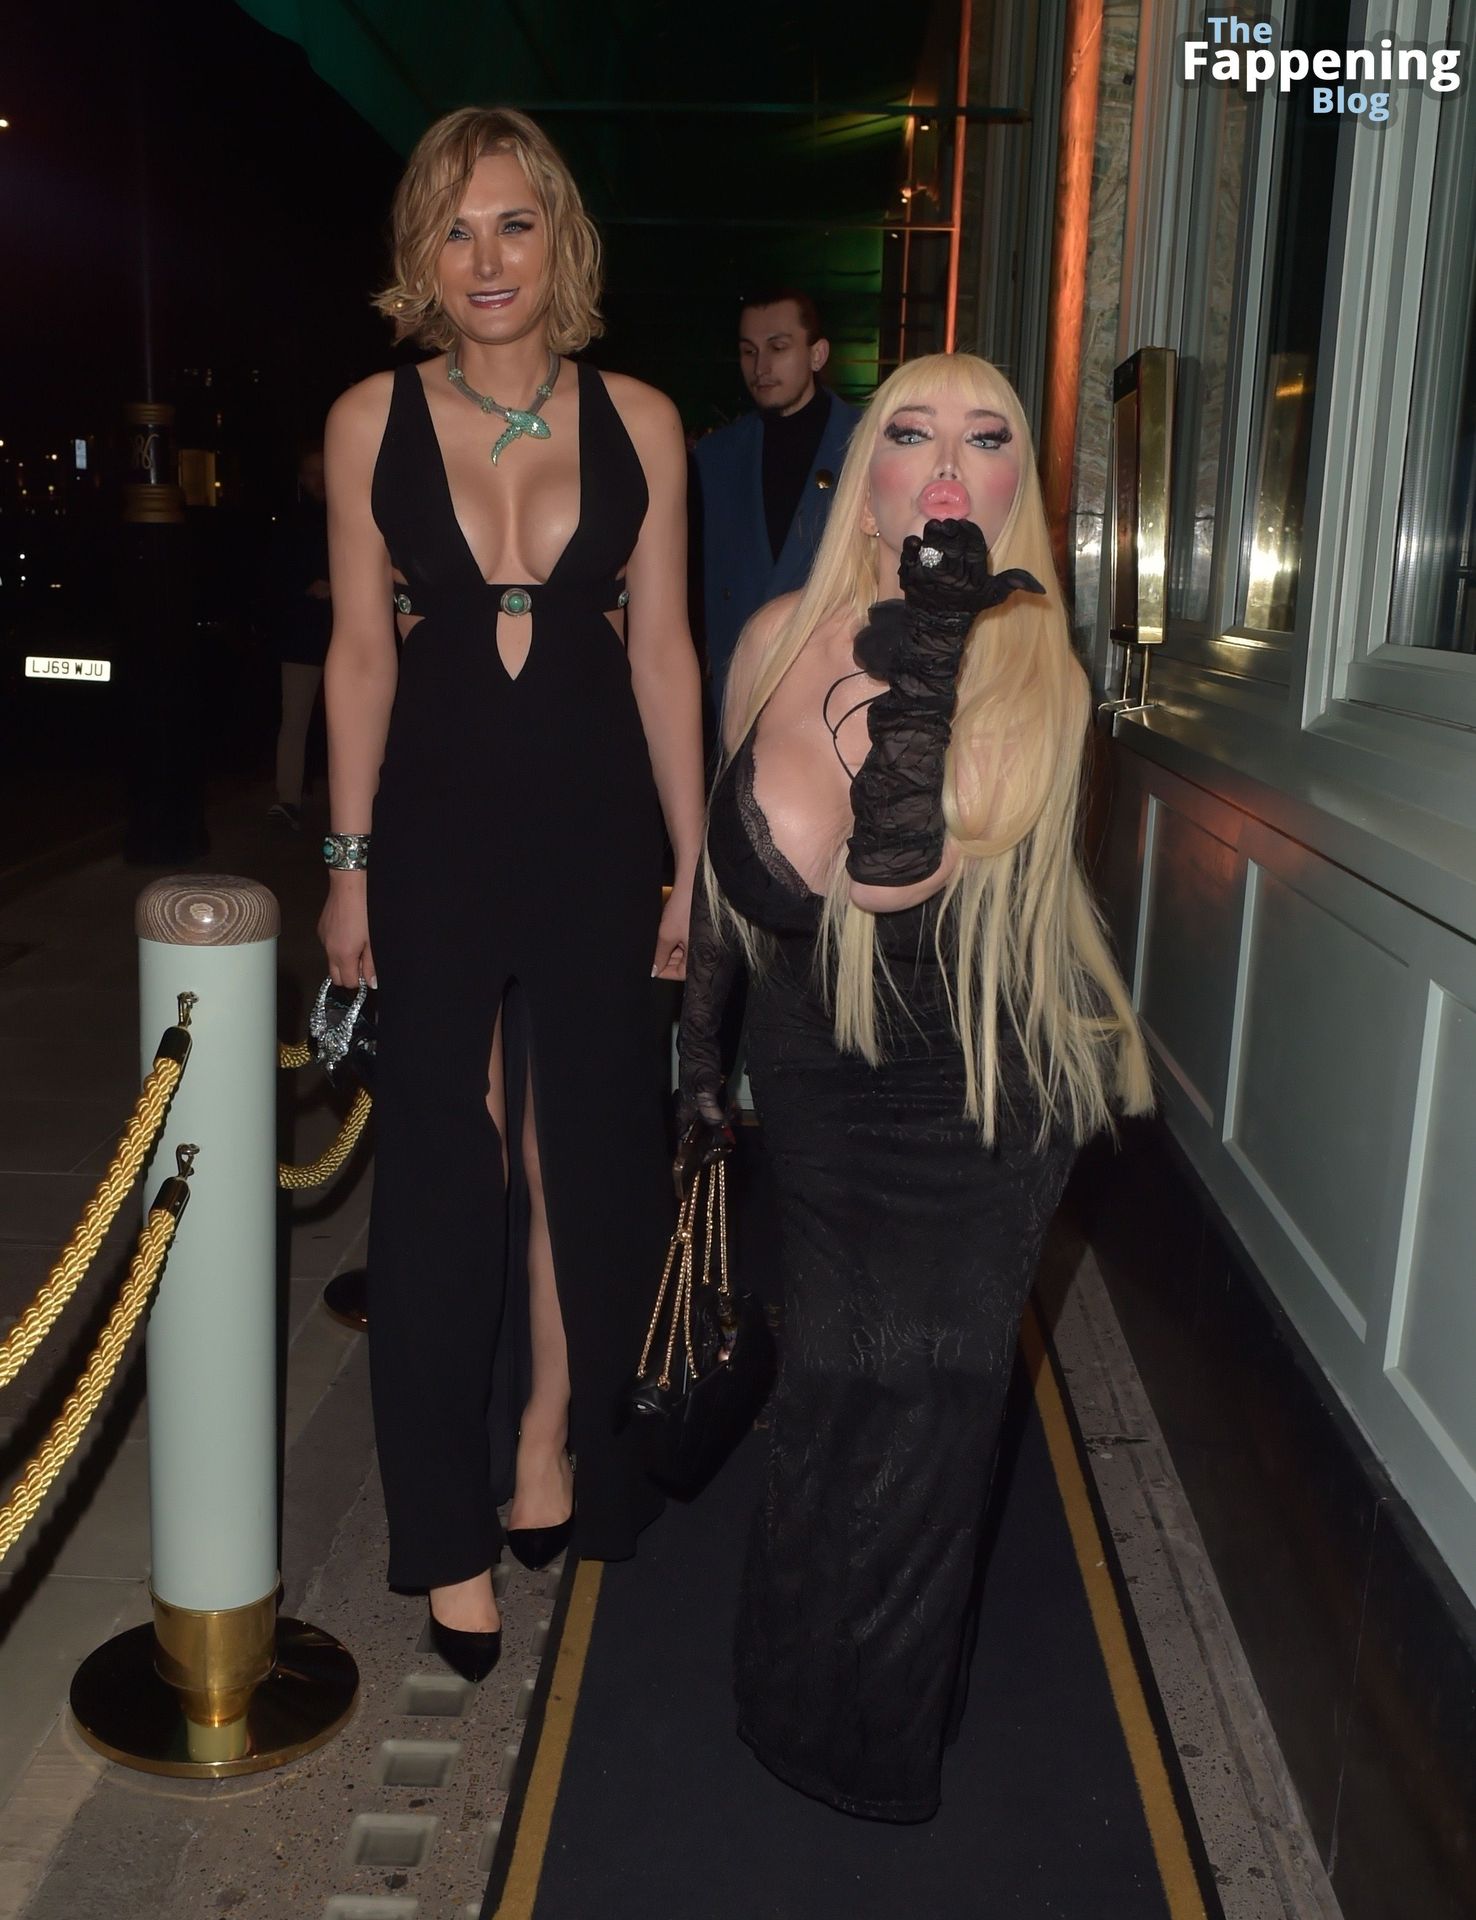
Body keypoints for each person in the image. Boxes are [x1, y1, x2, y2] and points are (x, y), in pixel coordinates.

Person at [677, 351, 1152, 1822]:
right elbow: (725, 875)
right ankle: (786, 1701)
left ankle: (875, 1750)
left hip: (977, 1097)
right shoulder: (772, 639)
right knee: (830, 1382)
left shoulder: (1035, 671)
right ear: (865, 480)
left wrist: (936, 632)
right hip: (818, 1080)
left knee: (934, 1407)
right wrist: (697, 1067)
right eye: (913, 435)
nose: (948, 466)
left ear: (1016, 489)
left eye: (987, 439)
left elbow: (887, 870)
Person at [319, 106, 704, 1682]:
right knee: (440, 1176)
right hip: (433, 833)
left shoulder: (643, 420)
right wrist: (346, 864)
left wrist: (693, 861)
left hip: (600, 829)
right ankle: (446, 1535)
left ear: (560, 238)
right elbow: (359, 655)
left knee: (583, 1160)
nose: (486, 259)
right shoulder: (370, 419)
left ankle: (553, 1434)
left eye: (514, 224)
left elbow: (663, 651)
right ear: (424, 252)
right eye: (455, 228)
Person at [691, 290, 860, 716]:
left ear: (817, 354)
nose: (760, 367)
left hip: (836, 692)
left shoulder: (866, 446)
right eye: (749, 351)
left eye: (778, 348)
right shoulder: (715, 458)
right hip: (741, 695)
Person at [266, 443, 332, 830]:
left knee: (355, 721)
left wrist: (336, 586)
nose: (319, 480)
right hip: (302, 637)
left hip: (346, 637)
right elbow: (277, 577)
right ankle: (287, 798)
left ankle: (365, 800)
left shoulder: (354, 514)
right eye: (310, 472)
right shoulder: (291, 522)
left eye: (324, 470)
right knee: (294, 719)